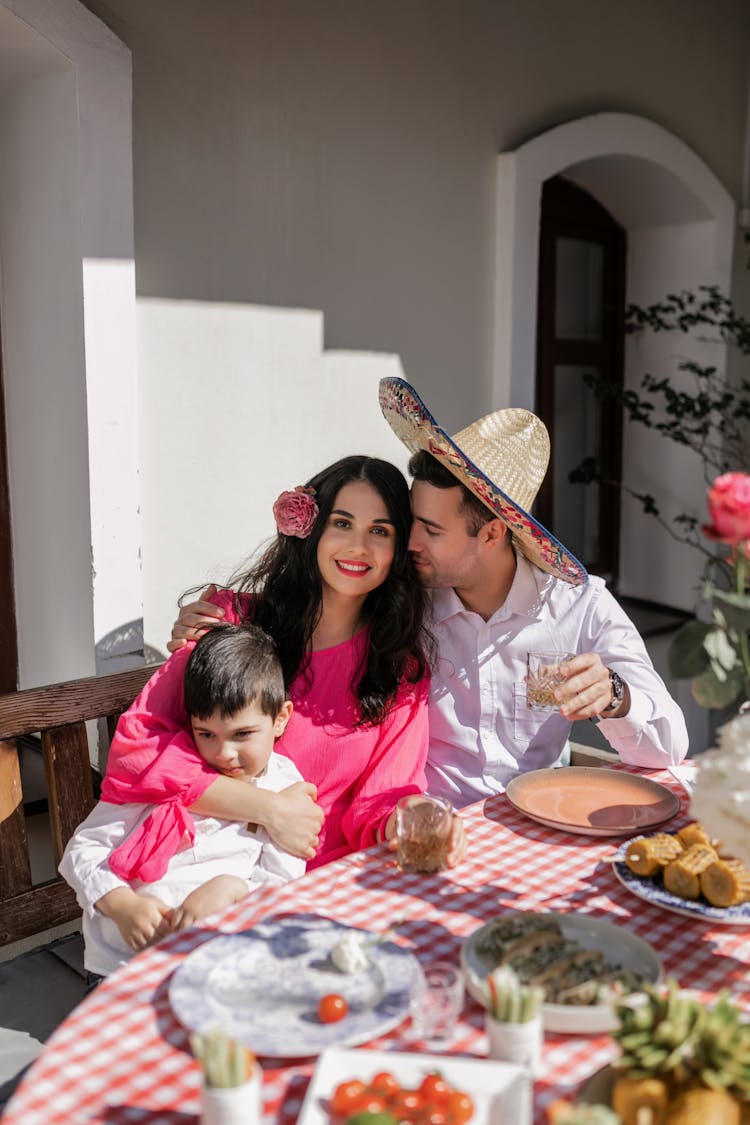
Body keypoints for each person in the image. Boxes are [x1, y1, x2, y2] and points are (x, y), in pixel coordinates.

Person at [171, 381, 689, 809]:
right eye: (409, 523)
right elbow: (316, 606)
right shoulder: (403, 598)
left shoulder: (580, 607)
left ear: (491, 533)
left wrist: (615, 696)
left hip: (535, 830)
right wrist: (233, 616)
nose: (408, 543)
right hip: (419, 826)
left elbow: (670, 746)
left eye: (430, 531)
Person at [103, 454, 467, 870]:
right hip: (203, 866)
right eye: (342, 523)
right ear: (311, 531)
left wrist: (416, 817)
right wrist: (268, 809)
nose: (358, 547)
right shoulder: (229, 621)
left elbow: (381, 801)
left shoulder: (397, 669)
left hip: (322, 880)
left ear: (398, 549)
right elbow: (136, 750)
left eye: (379, 531)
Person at [59, 624, 306, 977]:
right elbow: (82, 850)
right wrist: (123, 905)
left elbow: (282, 890)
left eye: (242, 734)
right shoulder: (165, 773)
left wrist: (233, 889)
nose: (224, 753)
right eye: (206, 733)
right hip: (127, 967)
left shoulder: (285, 788)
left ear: (280, 718)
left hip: (220, 966)